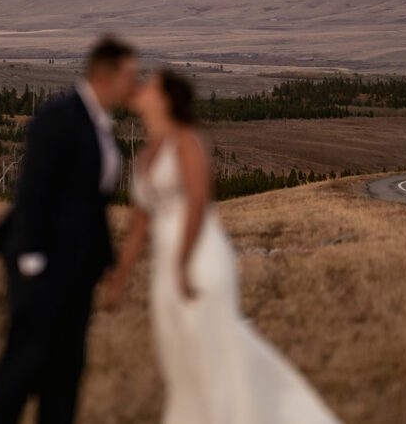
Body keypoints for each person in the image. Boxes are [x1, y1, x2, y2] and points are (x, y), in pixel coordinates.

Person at [104, 69, 343, 424]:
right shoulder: (146, 153)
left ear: (166, 100)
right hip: (166, 267)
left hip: (200, 259)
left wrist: (184, 263)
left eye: (150, 86)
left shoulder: (186, 141)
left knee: (212, 349)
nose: (141, 88)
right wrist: (120, 276)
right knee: (179, 358)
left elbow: (197, 202)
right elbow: (139, 225)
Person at [0, 36, 138, 424]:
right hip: (43, 268)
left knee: (65, 375)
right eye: (130, 77)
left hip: (78, 270)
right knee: (22, 369)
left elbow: (89, 203)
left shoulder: (100, 124)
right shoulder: (60, 117)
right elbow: (32, 191)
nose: (134, 86)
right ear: (105, 75)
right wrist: (33, 263)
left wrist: (102, 265)